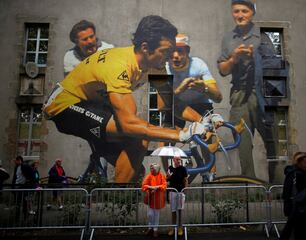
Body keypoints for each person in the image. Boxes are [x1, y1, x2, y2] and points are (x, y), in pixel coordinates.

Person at [43, 15, 206, 183]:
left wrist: (204, 121)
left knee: (136, 170)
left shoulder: (155, 66)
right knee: (138, 135)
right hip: (64, 104)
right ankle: (117, 203)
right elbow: (129, 124)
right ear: (145, 48)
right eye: (166, 51)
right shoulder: (119, 66)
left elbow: (172, 102)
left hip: (93, 102)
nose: (171, 57)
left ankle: (121, 200)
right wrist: (183, 134)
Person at [217, 0, 277, 178]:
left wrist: (254, 58)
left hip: (263, 94)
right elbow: (222, 70)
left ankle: (278, 186)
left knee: (272, 140)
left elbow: (274, 64)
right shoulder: (228, 38)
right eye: (236, 11)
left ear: (252, 13)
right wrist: (233, 58)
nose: (240, 15)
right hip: (239, 94)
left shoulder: (263, 35)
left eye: (244, 11)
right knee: (242, 141)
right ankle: (250, 187)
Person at [162, 33, 223, 181]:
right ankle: (170, 175)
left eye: (180, 52)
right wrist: (180, 89)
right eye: (172, 52)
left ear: (188, 52)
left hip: (201, 103)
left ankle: (210, 176)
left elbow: (219, 97)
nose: (175, 56)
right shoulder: (164, 67)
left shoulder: (199, 64)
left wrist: (205, 88)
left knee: (207, 139)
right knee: (164, 139)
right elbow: (163, 102)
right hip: (177, 104)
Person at [280, 151, 306, 240]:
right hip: (296, 205)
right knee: (294, 230)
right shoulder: (295, 174)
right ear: (299, 162)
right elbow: (289, 190)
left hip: (296, 206)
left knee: (291, 229)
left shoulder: (301, 173)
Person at [142, 163, 167, 238]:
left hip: (158, 198)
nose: (151, 169)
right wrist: (150, 187)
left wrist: (158, 187)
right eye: (151, 168)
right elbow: (143, 185)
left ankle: (155, 229)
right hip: (151, 197)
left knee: (156, 214)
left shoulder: (161, 176)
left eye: (152, 168)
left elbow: (164, 185)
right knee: (150, 214)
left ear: (156, 169)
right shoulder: (149, 175)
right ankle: (150, 228)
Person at [166, 155, 188, 236]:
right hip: (172, 192)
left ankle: (180, 228)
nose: (178, 160)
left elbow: (185, 180)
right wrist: (167, 176)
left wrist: (185, 189)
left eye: (179, 159)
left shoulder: (183, 169)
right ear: (173, 160)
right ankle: (173, 228)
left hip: (180, 192)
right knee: (173, 211)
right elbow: (167, 179)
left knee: (180, 210)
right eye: (177, 159)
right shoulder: (170, 168)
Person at [11, 156, 34, 220]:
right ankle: (17, 217)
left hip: (23, 187)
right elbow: (15, 177)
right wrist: (13, 187)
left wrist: (29, 181)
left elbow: (32, 174)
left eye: (16, 160)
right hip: (17, 187)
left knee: (24, 202)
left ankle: (25, 216)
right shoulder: (16, 167)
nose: (15, 162)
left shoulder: (25, 166)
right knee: (17, 202)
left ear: (19, 160)